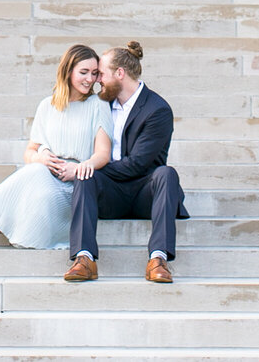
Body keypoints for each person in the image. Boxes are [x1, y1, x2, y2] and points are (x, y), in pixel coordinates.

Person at [0, 44, 113, 251]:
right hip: (45, 175)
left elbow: (103, 154)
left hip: (75, 185)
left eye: (94, 73)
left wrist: (79, 168)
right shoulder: (47, 105)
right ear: (68, 71)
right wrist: (42, 158)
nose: (90, 79)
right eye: (83, 72)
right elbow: (29, 152)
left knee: (34, 179)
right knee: (35, 171)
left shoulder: (97, 104)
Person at [64, 41, 188, 284]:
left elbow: (137, 164)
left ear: (120, 74)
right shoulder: (101, 104)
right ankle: (84, 257)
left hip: (146, 193)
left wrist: (90, 165)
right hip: (111, 194)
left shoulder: (157, 109)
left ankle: (158, 258)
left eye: (101, 73)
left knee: (166, 173)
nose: (97, 79)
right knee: (85, 175)